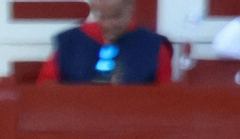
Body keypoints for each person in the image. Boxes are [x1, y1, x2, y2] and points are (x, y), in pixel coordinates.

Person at [38, 0, 172, 84]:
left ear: (130, 8)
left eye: (115, 16)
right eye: (102, 17)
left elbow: (165, 100)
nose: (108, 25)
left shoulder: (154, 46)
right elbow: (47, 90)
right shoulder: (70, 42)